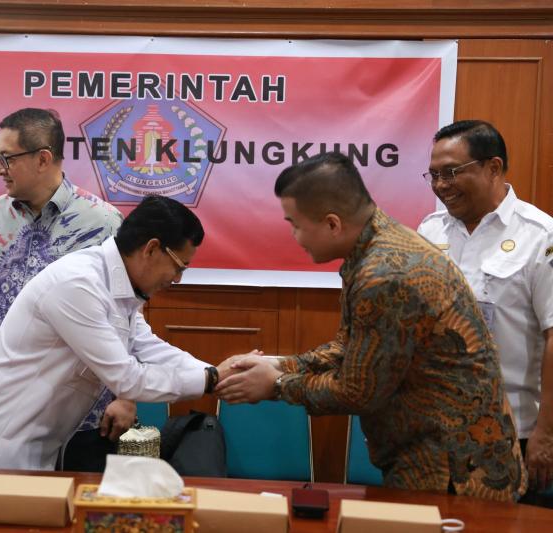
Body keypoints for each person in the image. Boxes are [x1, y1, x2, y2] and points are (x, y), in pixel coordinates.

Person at [215, 152, 526, 502]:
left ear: (333, 224)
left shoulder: (385, 274)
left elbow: (358, 391)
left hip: (455, 473)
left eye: (295, 225)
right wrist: (278, 365)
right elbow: (350, 347)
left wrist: (277, 385)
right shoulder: (376, 247)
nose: (294, 236)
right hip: (434, 458)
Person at [0, 195, 246, 470]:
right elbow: (127, 378)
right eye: (179, 266)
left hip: (28, 452)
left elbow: (146, 346)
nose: (178, 279)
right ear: (152, 249)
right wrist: (209, 380)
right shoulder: (78, 284)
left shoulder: (120, 286)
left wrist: (216, 373)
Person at [0, 108, 132, 471]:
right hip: (0, 405)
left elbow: (125, 315)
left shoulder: (103, 223)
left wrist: (126, 396)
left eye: (7, 158)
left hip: (80, 414)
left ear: (43, 158)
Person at [417, 120, 553, 503]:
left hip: (512, 434)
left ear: (493, 167)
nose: (441, 184)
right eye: (434, 175)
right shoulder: (430, 232)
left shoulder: (540, 236)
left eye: (451, 172)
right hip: (437, 433)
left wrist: (547, 434)